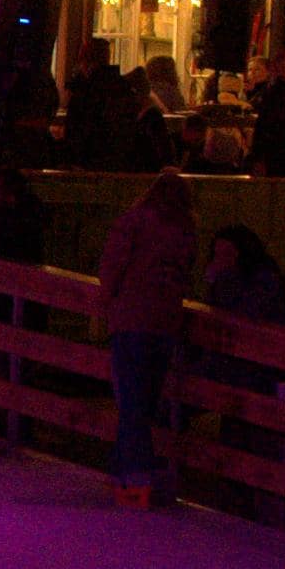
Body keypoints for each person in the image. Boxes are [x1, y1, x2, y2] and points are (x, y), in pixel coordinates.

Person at [94, 174, 197, 508]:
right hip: (165, 323)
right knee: (145, 401)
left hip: (132, 319)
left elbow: (113, 264)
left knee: (130, 401)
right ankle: (126, 477)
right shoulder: (184, 231)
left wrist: (106, 300)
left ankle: (133, 481)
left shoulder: (134, 223)